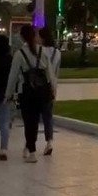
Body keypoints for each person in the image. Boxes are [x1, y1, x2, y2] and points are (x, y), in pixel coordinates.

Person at [6, 24, 57, 162]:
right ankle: (31, 148)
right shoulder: (43, 51)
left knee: (30, 122)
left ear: (22, 36)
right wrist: (53, 89)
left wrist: (8, 94)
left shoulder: (19, 54)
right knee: (40, 119)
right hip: (43, 92)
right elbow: (50, 73)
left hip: (27, 92)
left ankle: (32, 151)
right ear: (34, 36)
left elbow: (13, 76)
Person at [39, 28, 62, 156]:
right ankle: (49, 142)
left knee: (33, 115)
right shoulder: (58, 53)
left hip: (39, 85)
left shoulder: (40, 51)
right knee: (48, 116)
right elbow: (57, 72)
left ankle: (28, 145)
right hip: (51, 86)